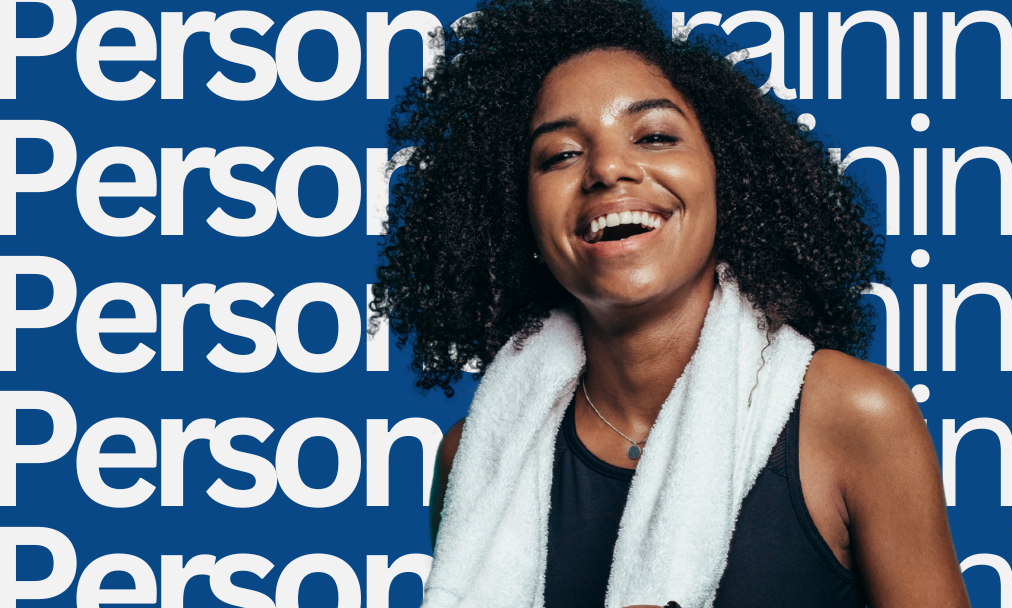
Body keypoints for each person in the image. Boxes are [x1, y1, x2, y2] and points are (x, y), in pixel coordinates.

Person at [369, 0, 969, 606]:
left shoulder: (856, 417)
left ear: (724, 178)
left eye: (654, 136)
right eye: (560, 155)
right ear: (517, 218)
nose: (606, 168)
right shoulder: (474, 459)